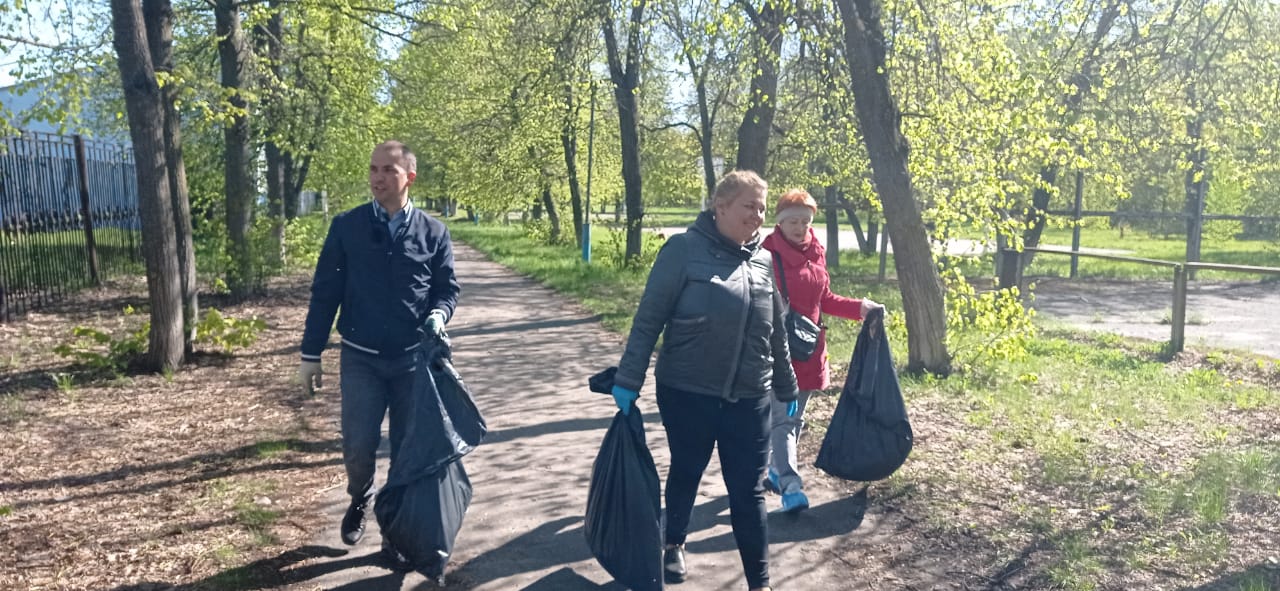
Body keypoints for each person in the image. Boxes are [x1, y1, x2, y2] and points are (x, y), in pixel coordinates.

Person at [610, 170, 797, 591]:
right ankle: (673, 543)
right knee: (687, 469)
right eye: (749, 206)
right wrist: (628, 378)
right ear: (720, 206)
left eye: (762, 208)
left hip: (750, 395)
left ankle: (760, 584)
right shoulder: (683, 251)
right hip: (688, 391)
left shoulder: (764, 260)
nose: (758, 216)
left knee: (748, 490)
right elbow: (649, 319)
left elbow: (777, 332)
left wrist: (786, 386)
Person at [297, 140, 461, 569]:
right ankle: (360, 497)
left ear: (409, 177)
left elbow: (446, 290)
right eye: (373, 169)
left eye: (388, 170)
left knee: (406, 451)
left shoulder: (433, 232)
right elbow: (325, 293)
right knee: (358, 445)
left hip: (412, 361)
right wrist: (310, 353)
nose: (377, 177)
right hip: (361, 358)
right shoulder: (347, 227)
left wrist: (439, 315)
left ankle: (395, 531)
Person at [760, 189, 882, 513]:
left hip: (811, 351)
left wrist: (861, 308)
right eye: (793, 221)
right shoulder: (767, 255)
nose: (800, 227)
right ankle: (790, 487)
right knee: (784, 421)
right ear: (780, 222)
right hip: (778, 353)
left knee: (795, 419)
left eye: (805, 221)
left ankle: (775, 469)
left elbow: (824, 298)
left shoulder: (816, 251)